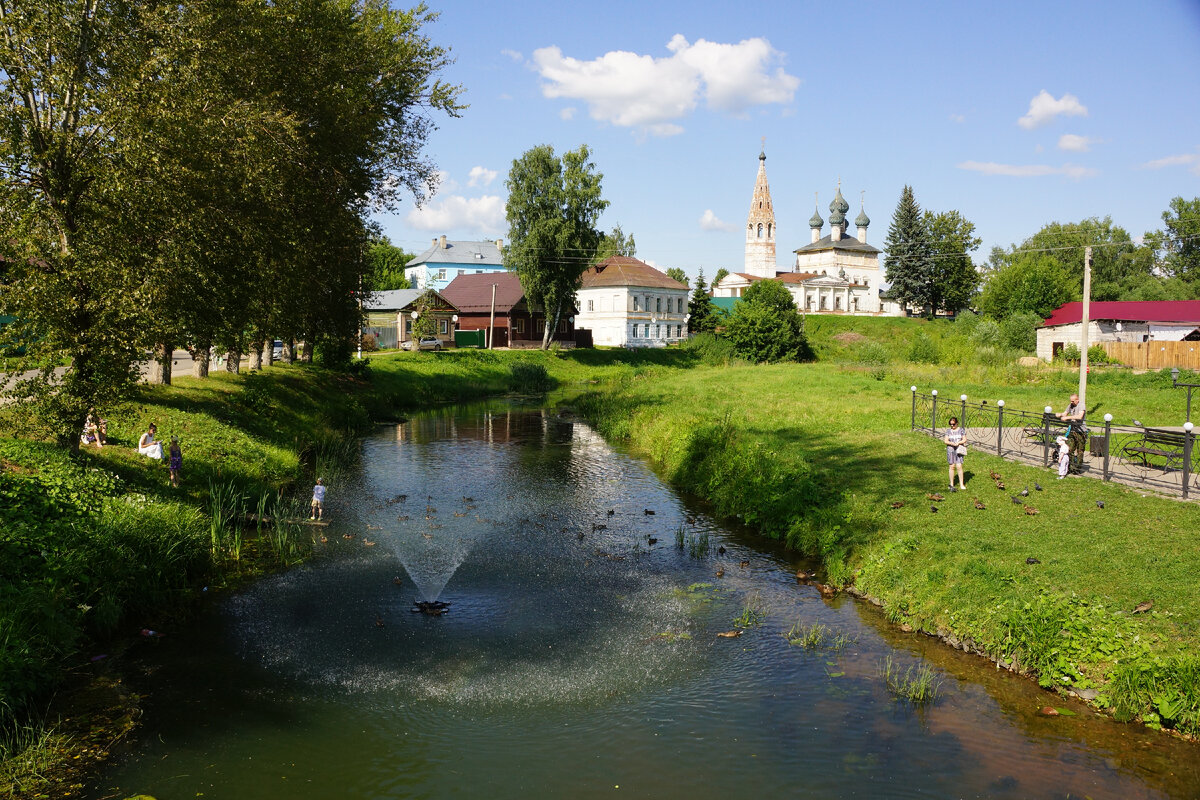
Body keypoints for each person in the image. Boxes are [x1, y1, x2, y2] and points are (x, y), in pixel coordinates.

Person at [1056, 393, 1087, 474]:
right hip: (1073, 430)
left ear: (1077, 400)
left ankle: (1077, 469)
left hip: (1081, 431)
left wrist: (1067, 417)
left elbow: (1080, 416)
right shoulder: (1070, 405)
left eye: (1073, 401)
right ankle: (1070, 467)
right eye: (1070, 401)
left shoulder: (1081, 405)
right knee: (1069, 449)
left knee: (1080, 451)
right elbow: (1065, 413)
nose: (1071, 402)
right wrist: (1060, 414)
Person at [942, 416, 967, 492]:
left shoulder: (961, 430)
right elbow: (945, 441)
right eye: (950, 424)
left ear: (957, 423)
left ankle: (961, 484)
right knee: (952, 466)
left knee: (959, 466)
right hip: (951, 450)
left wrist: (959, 442)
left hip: (959, 450)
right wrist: (952, 443)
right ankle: (951, 484)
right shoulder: (948, 431)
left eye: (953, 424)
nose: (952, 426)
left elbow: (964, 439)